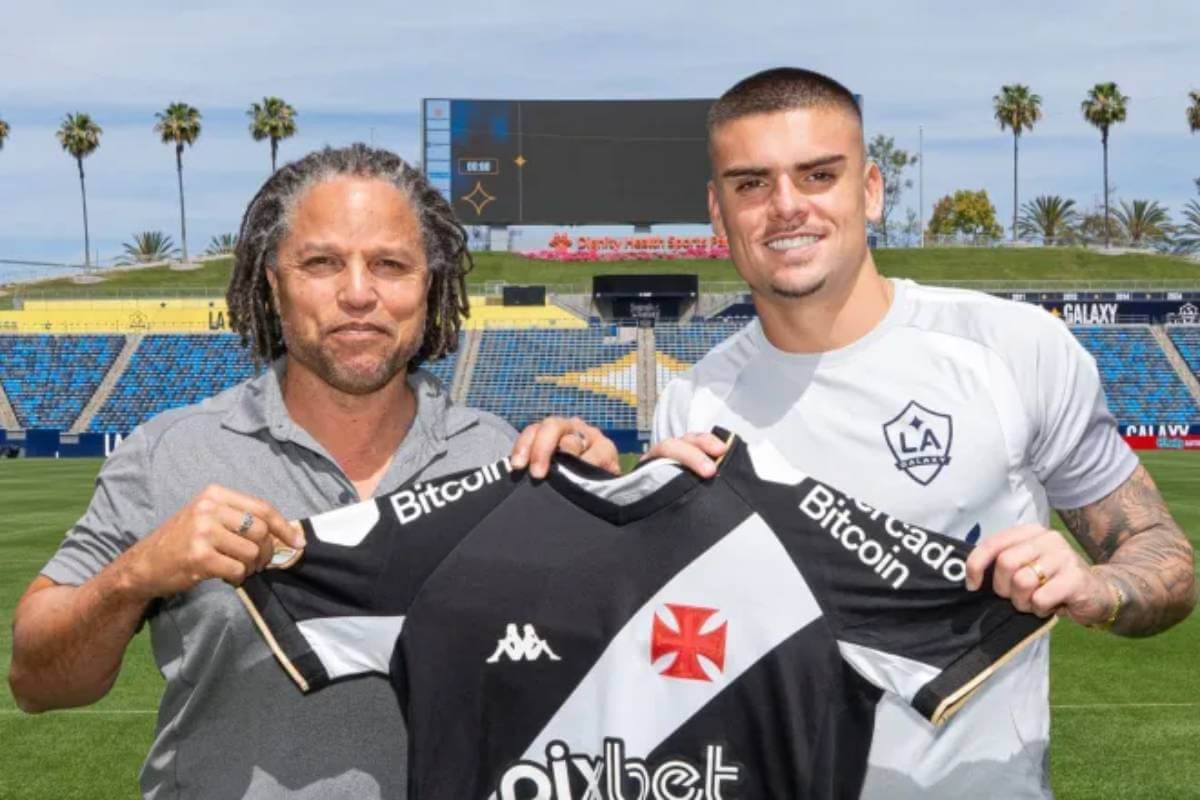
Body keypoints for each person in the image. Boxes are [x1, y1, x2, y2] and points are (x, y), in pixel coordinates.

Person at [635, 68, 1194, 798]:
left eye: (818, 174)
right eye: (751, 184)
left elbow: (1163, 556)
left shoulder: (1013, 347)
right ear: (718, 210)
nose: (786, 206)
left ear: (869, 189)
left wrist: (1099, 586)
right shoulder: (691, 403)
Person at [8, 144, 615, 799]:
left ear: (429, 286)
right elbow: (37, 683)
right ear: (273, 284)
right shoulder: (169, 455)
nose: (358, 293)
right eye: (322, 263)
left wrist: (598, 518)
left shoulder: (508, 462)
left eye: (390, 264)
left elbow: (597, 678)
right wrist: (131, 579)